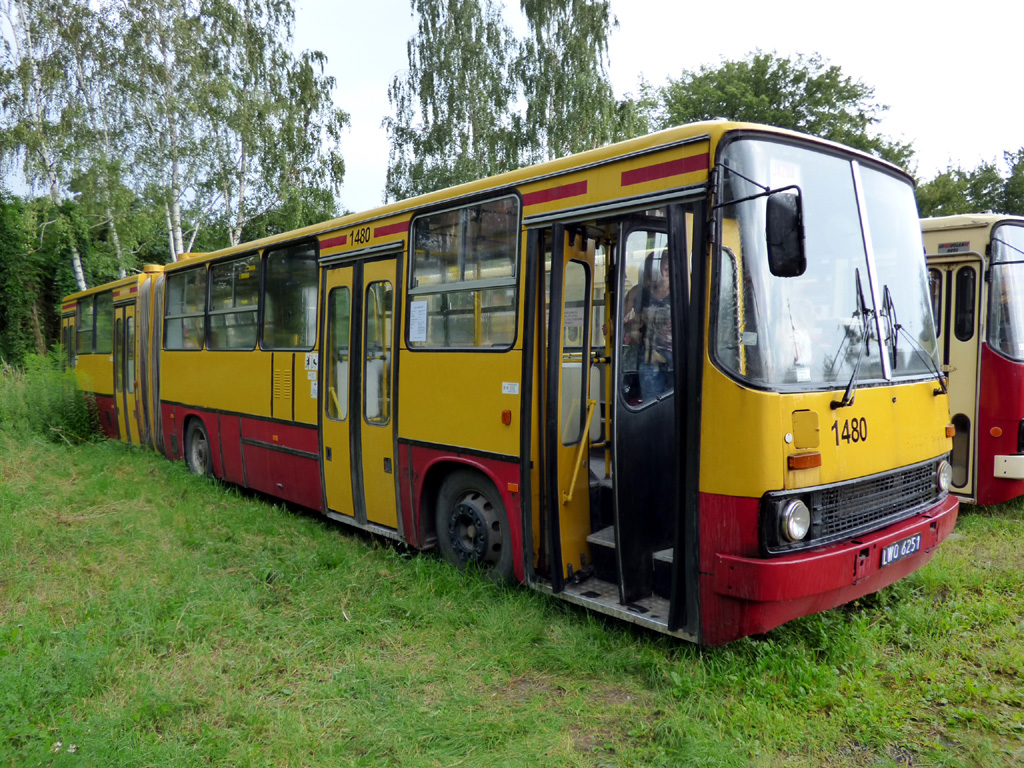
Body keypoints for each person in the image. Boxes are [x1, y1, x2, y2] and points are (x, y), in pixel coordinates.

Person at [623, 249, 673, 400]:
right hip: (650, 359)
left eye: (667, 269)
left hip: (677, 358)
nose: (665, 274)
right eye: (661, 269)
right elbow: (620, 321)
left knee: (677, 407)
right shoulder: (639, 293)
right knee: (651, 404)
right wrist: (628, 331)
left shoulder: (684, 290)